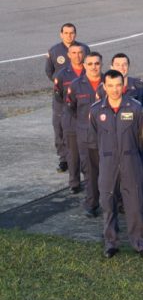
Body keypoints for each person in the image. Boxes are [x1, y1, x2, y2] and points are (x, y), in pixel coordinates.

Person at [89, 70, 143, 259]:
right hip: (108, 163)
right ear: (104, 87)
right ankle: (111, 243)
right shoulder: (96, 110)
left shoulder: (135, 108)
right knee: (108, 203)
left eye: (118, 85)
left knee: (135, 204)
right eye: (110, 85)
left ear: (123, 85)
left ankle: (139, 243)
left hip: (131, 162)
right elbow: (94, 138)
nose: (115, 89)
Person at [46, 23, 90, 173]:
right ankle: (64, 159)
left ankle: (84, 158)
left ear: (75, 34)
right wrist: (61, 84)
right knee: (59, 127)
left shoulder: (84, 49)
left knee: (82, 126)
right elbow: (49, 71)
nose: (69, 35)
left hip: (81, 96)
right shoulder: (54, 51)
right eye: (66, 33)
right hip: (61, 97)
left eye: (71, 33)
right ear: (61, 34)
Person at [67, 51, 104, 217]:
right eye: (90, 64)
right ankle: (92, 203)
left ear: (101, 65)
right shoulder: (75, 85)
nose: (94, 67)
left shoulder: (110, 82)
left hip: (107, 136)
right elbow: (72, 109)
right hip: (86, 136)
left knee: (113, 171)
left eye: (97, 63)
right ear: (84, 66)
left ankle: (117, 202)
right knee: (90, 172)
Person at [53, 44, 86, 194]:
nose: (77, 55)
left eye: (80, 52)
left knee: (90, 152)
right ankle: (74, 183)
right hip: (71, 119)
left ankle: (91, 180)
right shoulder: (62, 75)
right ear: (68, 55)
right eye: (74, 52)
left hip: (88, 119)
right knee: (73, 154)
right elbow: (59, 96)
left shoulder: (91, 70)